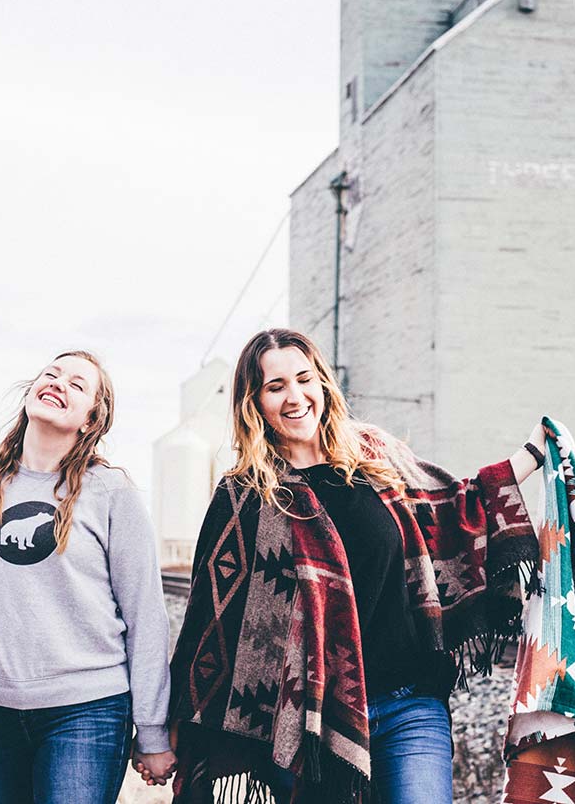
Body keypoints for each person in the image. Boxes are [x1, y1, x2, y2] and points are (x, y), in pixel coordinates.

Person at [167, 328, 550, 804]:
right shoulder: (245, 494)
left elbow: (453, 507)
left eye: (304, 379)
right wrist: (176, 724)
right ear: (255, 402)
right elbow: (212, 614)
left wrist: (528, 458)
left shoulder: (373, 455)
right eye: (275, 386)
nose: (295, 397)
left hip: (409, 703)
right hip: (310, 723)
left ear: (322, 383)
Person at [0, 350, 175, 804]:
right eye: (52, 374)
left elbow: (145, 615)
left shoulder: (112, 493)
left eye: (77, 385)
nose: (59, 383)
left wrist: (153, 729)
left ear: (91, 419)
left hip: (87, 710)